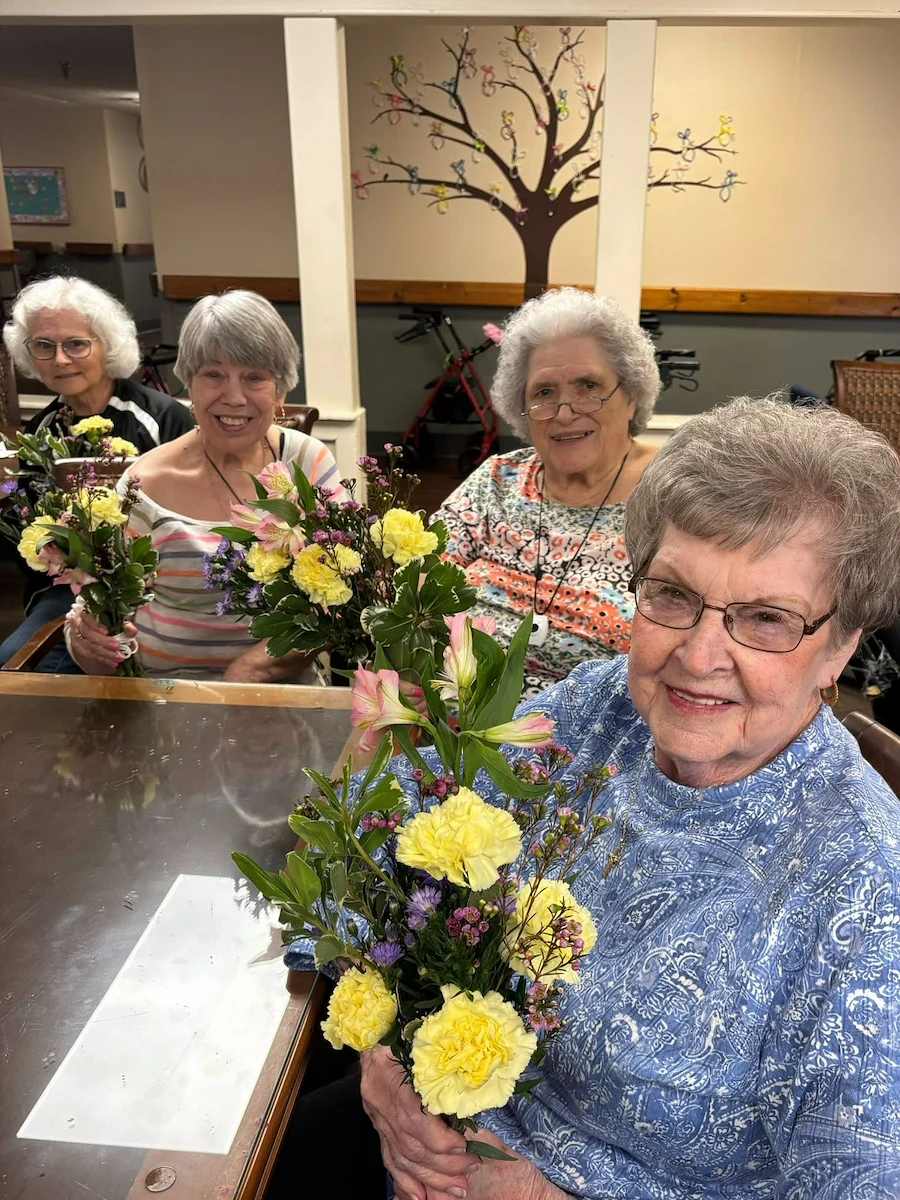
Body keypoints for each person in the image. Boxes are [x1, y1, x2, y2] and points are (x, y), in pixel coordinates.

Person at [280, 396, 900, 1200]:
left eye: (767, 618)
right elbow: (375, 838)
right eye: (672, 595)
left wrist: (540, 1195)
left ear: (841, 648)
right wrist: (386, 1059)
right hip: (426, 1139)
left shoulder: (868, 895)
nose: (700, 654)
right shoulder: (603, 709)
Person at [65, 289, 344, 681]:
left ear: (280, 391)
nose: (233, 397)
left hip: (282, 692)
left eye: (254, 377)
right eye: (213, 374)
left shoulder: (307, 464)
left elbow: (338, 595)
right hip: (167, 697)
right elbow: (99, 617)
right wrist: (88, 640)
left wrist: (249, 671)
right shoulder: (144, 485)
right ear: (188, 385)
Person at [433, 287, 661, 696]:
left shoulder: (674, 497)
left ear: (631, 395)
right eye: (544, 392)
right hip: (458, 727)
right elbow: (417, 588)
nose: (565, 412)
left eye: (588, 386)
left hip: (598, 744)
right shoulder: (497, 481)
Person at [0, 275, 194, 671]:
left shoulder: (162, 419)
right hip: (67, 595)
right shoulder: (41, 433)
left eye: (75, 343)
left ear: (107, 344)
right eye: (43, 345)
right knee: (10, 669)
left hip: (160, 588)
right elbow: (29, 551)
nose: (60, 359)